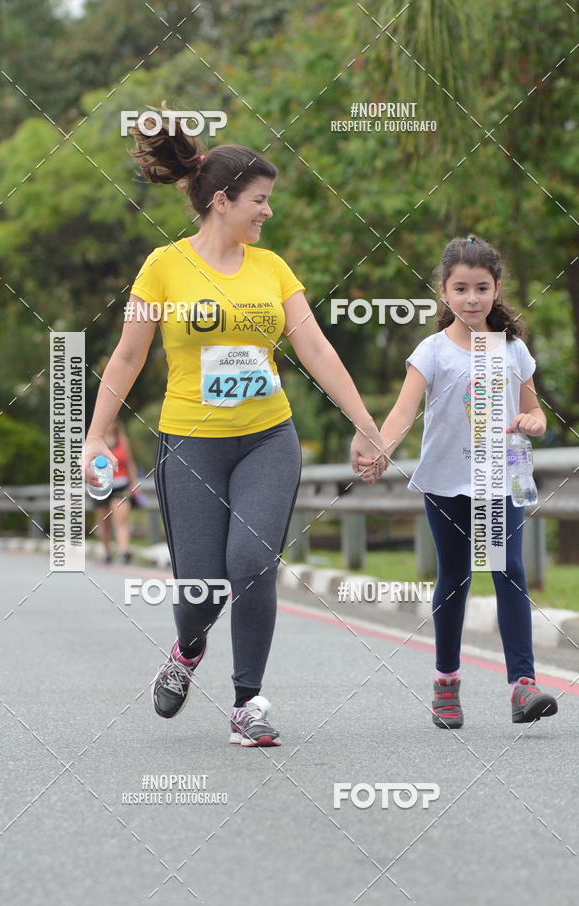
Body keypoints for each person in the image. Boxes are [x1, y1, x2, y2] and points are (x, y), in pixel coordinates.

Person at [82, 110, 385, 747]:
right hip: (190, 444)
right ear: (221, 202)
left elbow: (317, 350)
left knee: (251, 564)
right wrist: (92, 435)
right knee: (199, 587)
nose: (266, 213)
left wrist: (365, 424)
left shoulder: (271, 270)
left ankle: (248, 704)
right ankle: (187, 648)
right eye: (259, 201)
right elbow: (129, 356)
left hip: (268, 439)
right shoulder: (162, 267)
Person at [356, 235, 558, 729]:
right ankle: (447, 682)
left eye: (482, 288)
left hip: (500, 480)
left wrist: (533, 423)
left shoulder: (513, 349)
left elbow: (535, 414)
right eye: (461, 288)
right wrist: (380, 448)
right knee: (456, 578)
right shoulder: (432, 351)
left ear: (497, 289)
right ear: (443, 292)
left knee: (509, 569)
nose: (472, 299)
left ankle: (522, 686)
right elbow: (403, 413)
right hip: (446, 484)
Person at [91, 416, 140, 564]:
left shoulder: (122, 440)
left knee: (121, 519)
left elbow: (130, 462)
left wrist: (134, 484)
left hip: (121, 486)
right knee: (104, 521)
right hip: (102, 486)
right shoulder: (96, 443)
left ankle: (124, 551)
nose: (111, 425)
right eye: (109, 421)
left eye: (114, 422)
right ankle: (107, 552)